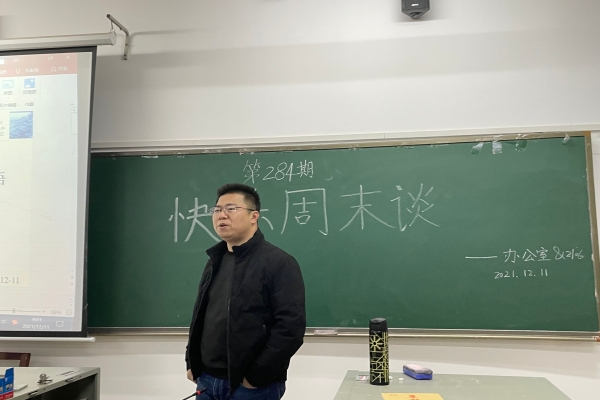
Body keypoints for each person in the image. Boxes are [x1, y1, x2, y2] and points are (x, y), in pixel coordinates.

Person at [185, 183, 306, 400]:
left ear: (254, 216)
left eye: (231, 209)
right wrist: (191, 361)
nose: (222, 215)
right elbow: (200, 317)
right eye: (217, 210)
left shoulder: (278, 262)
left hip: (251, 387)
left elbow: (290, 328)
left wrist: (255, 377)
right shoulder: (214, 261)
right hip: (207, 381)